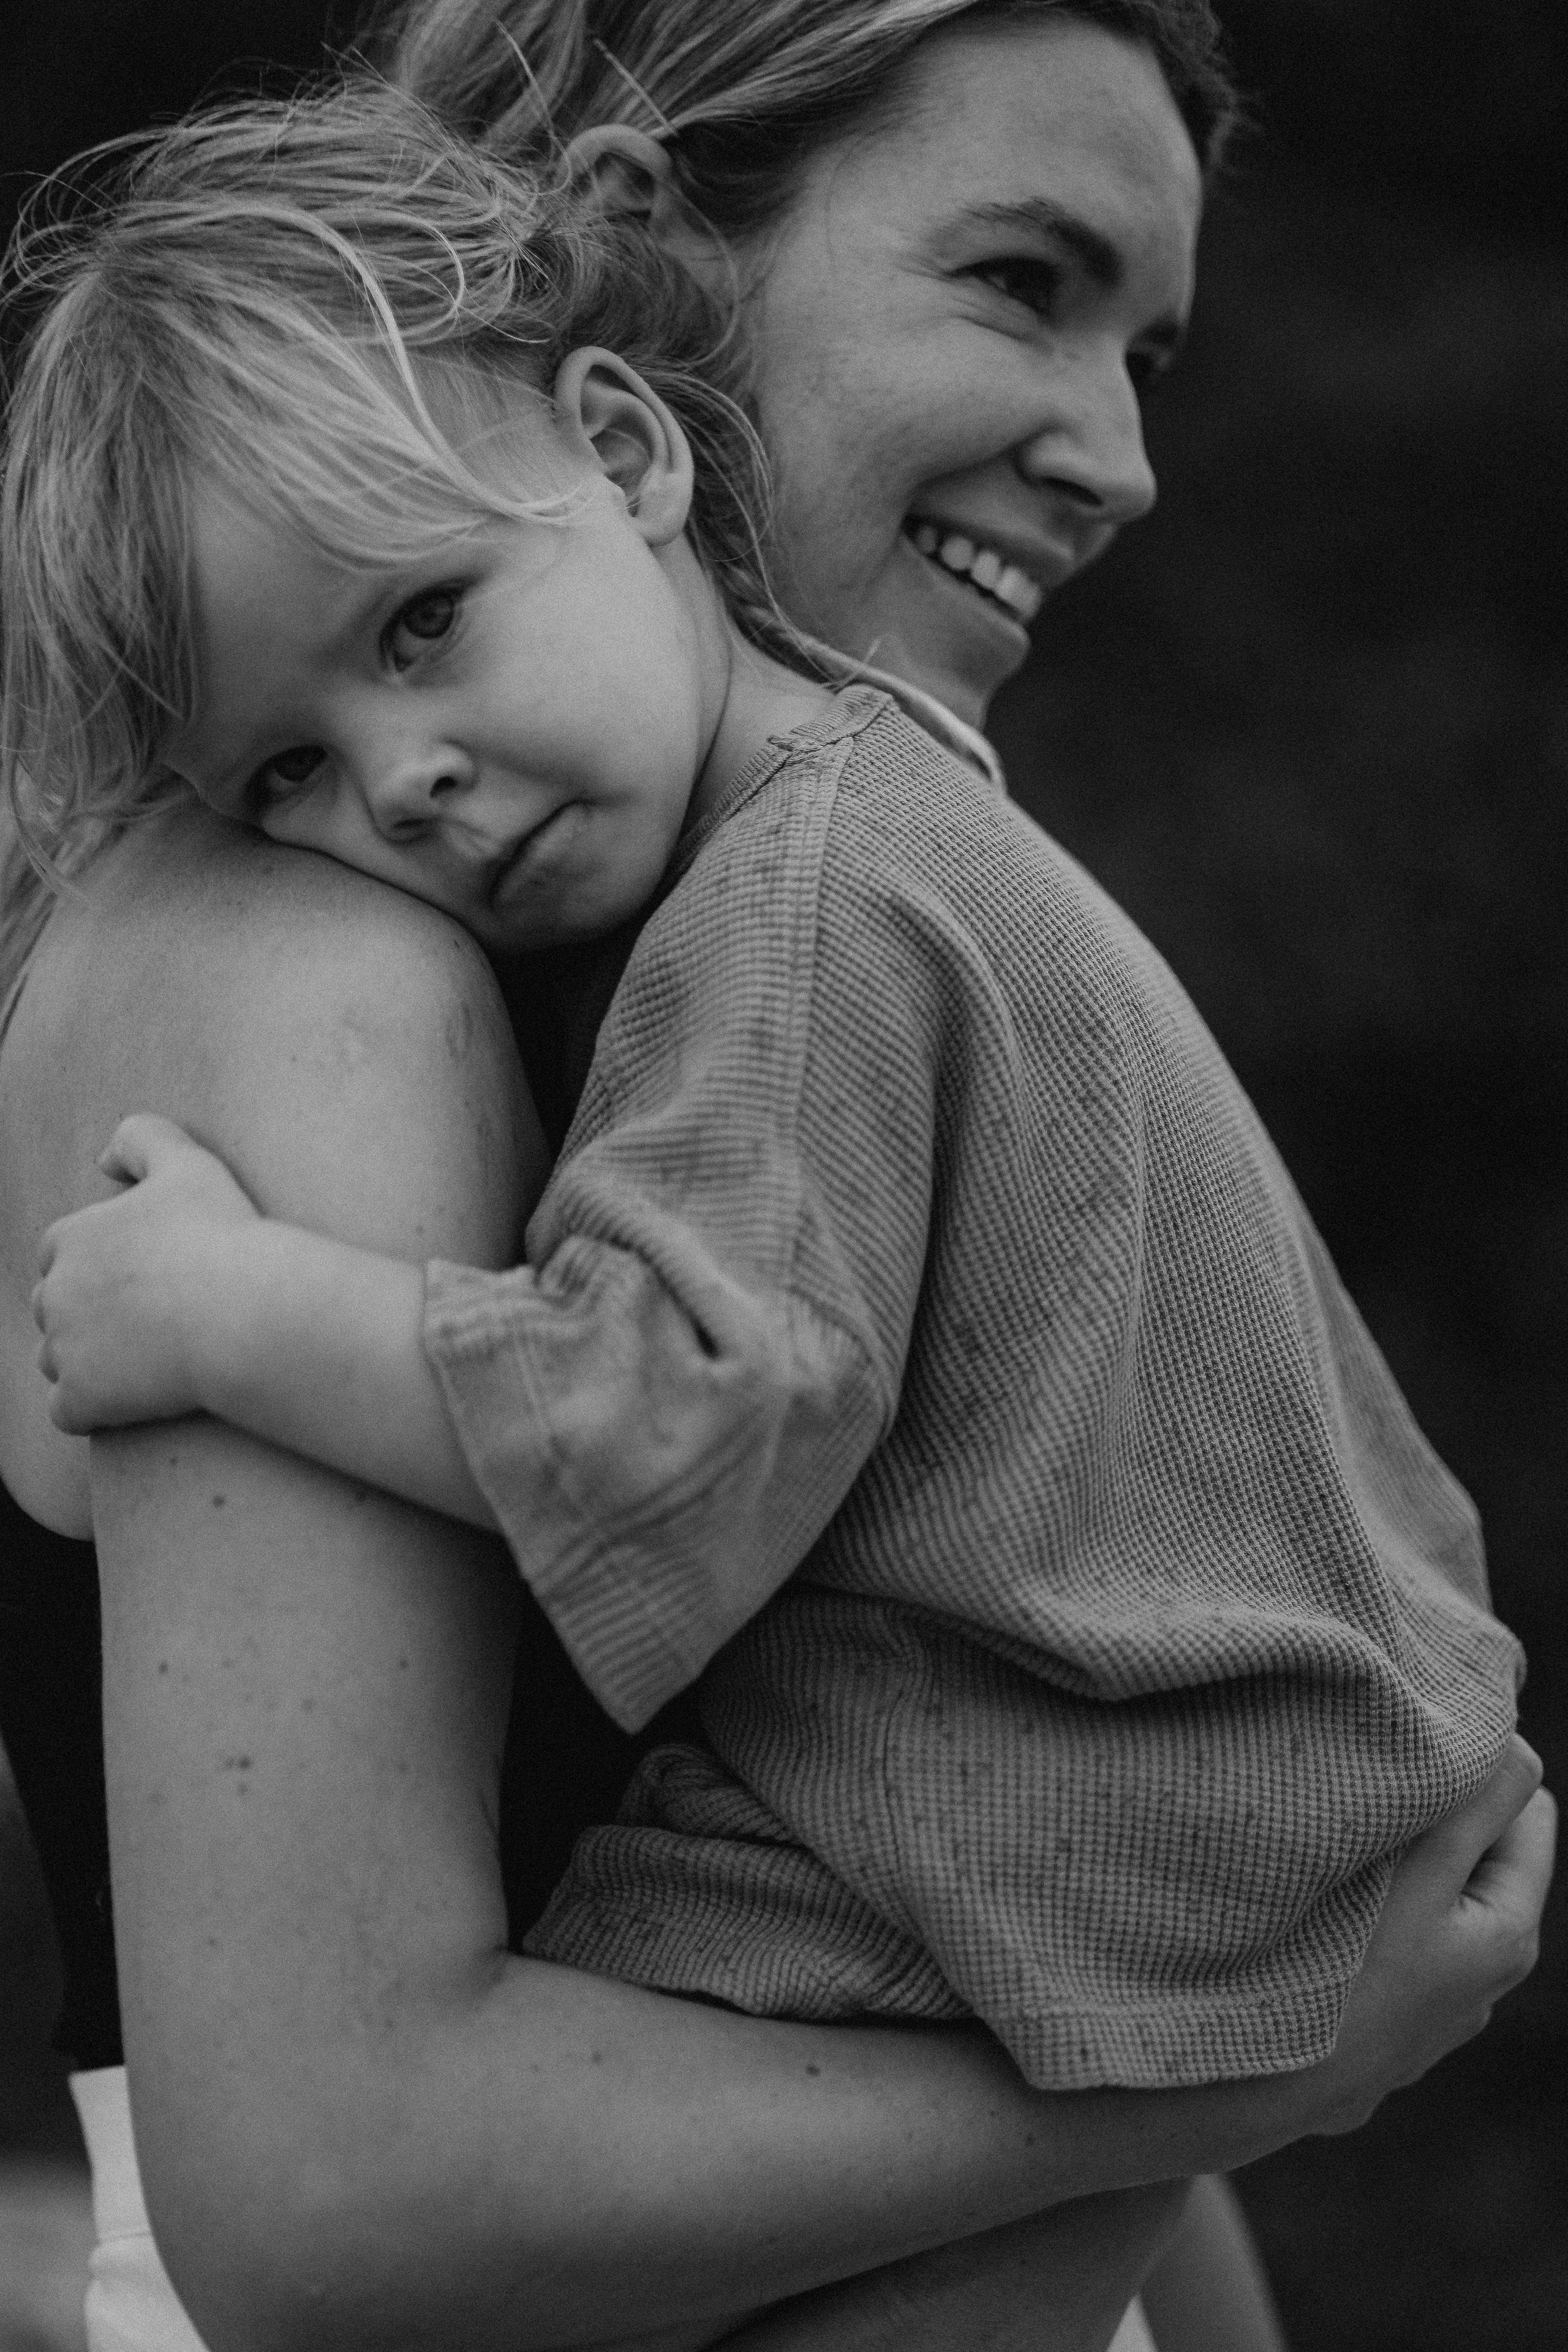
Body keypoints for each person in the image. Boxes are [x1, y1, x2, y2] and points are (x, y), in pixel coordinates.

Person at [0, 4, 1553, 2350]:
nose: (1126, 458)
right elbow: (323, 2198)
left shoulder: (808, 901)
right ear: (642, 271)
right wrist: (1248, 2071)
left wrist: (1215, 2100)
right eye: (1022, 281)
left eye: (1148, 342)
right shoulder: (329, 974)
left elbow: (995, 1723)